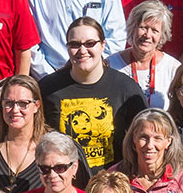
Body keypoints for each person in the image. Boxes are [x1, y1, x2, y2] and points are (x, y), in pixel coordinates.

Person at [42, 17, 152, 170]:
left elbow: (146, 136)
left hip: (111, 183)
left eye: (90, 44)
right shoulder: (48, 88)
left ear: (102, 45)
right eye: (74, 44)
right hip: (62, 186)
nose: (82, 50)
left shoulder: (125, 87)